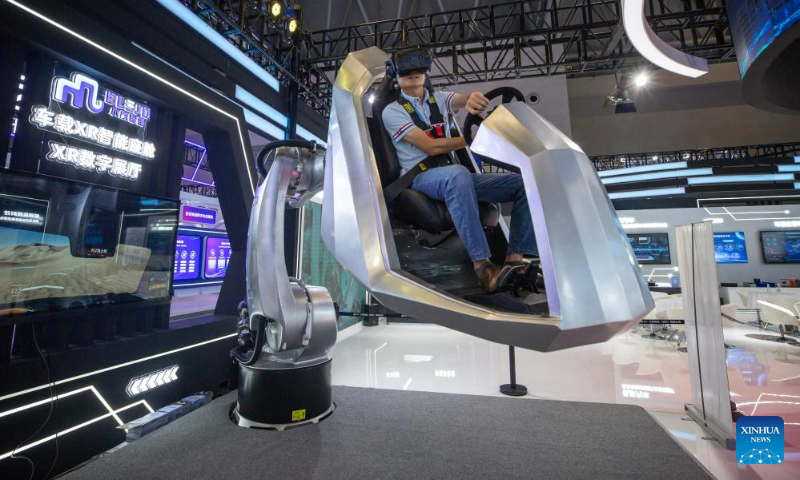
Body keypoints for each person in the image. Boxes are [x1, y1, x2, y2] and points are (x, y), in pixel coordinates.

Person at [381, 48, 537, 293]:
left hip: (450, 174)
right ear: (396, 77)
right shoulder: (392, 111)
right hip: (420, 177)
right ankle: (482, 267)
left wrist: (474, 98)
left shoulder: (439, 99)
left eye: (419, 71)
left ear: (426, 73)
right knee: (458, 173)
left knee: (523, 183)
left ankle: (514, 261)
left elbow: (464, 99)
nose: (414, 76)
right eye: (407, 73)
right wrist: (472, 138)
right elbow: (431, 147)